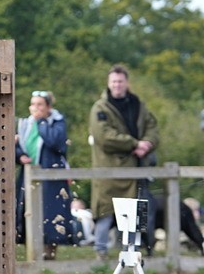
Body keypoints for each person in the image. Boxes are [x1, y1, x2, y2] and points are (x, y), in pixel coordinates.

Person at [89, 64, 159, 260]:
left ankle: (132, 251)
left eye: (120, 81)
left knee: (135, 211)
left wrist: (147, 144)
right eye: (113, 81)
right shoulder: (100, 108)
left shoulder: (138, 104)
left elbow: (152, 127)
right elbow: (104, 136)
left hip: (135, 169)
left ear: (126, 82)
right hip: (109, 169)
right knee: (105, 210)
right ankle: (100, 251)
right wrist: (134, 144)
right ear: (108, 83)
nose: (117, 85)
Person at [15, 90, 73, 259]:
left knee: (51, 213)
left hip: (50, 177)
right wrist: (19, 155)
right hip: (29, 174)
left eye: (40, 104)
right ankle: (32, 252)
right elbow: (19, 145)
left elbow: (56, 142)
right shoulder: (25, 124)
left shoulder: (57, 122)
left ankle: (50, 252)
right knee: (27, 210)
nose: (36, 108)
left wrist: (41, 123)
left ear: (48, 107)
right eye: (33, 104)